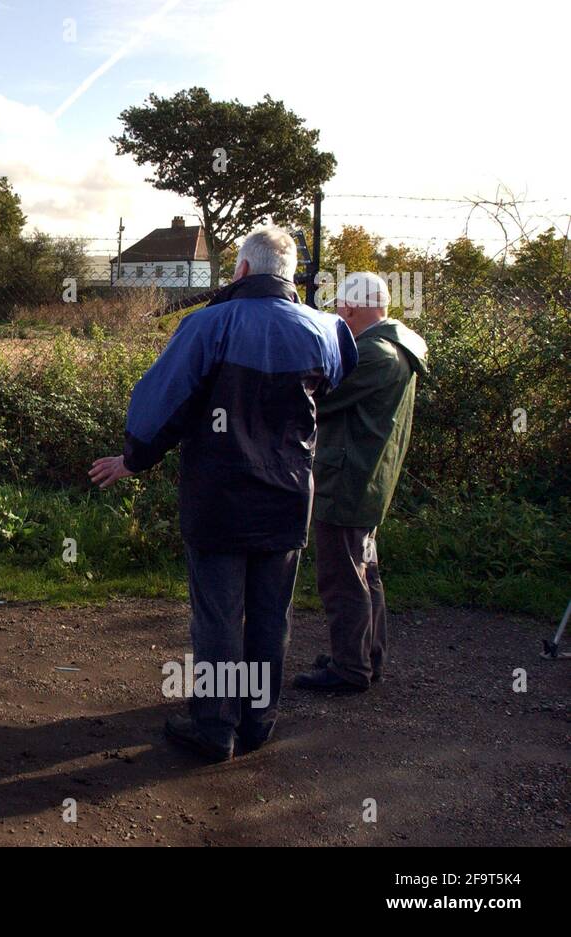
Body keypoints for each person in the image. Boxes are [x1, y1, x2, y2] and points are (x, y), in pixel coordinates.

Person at [90, 225, 357, 762]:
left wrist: (134, 458)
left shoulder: (207, 326)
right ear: (289, 275)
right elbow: (333, 382)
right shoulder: (327, 331)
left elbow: (159, 404)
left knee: (217, 616)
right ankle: (259, 722)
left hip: (218, 499)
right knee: (269, 614)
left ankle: (215, 727)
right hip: (287, 497)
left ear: (241, 270)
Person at [293, 272, 428, 692]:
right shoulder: (402, 346)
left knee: (342, 577)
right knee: (365, 571)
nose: (338, 315)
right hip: (370, 479)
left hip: (347, 481)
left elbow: (318, 401)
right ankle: (367, 655)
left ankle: (349, 668)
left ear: (351, 308)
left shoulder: (373, 355)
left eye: (340, 308)